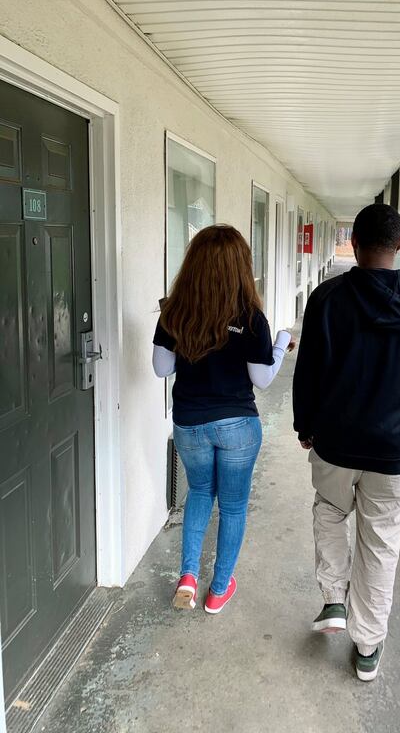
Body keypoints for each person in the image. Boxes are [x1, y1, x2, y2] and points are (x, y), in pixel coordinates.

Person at [293, 203, 400, 681]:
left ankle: (334, 600)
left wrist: (304, 425)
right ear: (398, 244)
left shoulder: (327, 299)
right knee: (381, 545)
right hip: (393, 450)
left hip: (336, 442)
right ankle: (367, 648)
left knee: (330, 513)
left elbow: (309, 371)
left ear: (352, 244)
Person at [153, 224, 294, 614]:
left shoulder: (174, 312)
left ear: (193, 264)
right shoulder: (251, 319)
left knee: (199, 493)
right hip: (237, 426)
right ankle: (217, 591)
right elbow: (261, 380)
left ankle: (187, 577)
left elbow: (160, 369)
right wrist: (281, 345)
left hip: (189, 424)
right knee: (232, 507)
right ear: (241, 267)